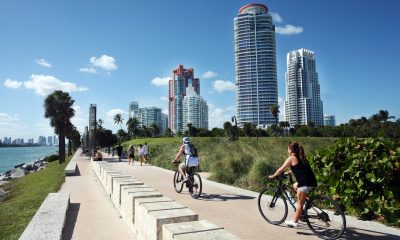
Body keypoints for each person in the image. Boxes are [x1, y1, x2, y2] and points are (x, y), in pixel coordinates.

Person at [268, 141, 317, 228]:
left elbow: (281, 169)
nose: (287, 150)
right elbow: (300, 168)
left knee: (299, 204)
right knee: (295, 185)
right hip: (311, 181)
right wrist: (289, 172)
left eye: (288, 148)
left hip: (304, 183)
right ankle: (308, 202)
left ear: (290, 149)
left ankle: (294, 222)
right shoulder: (301, 157)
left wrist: (273, 176)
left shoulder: (291, 158)